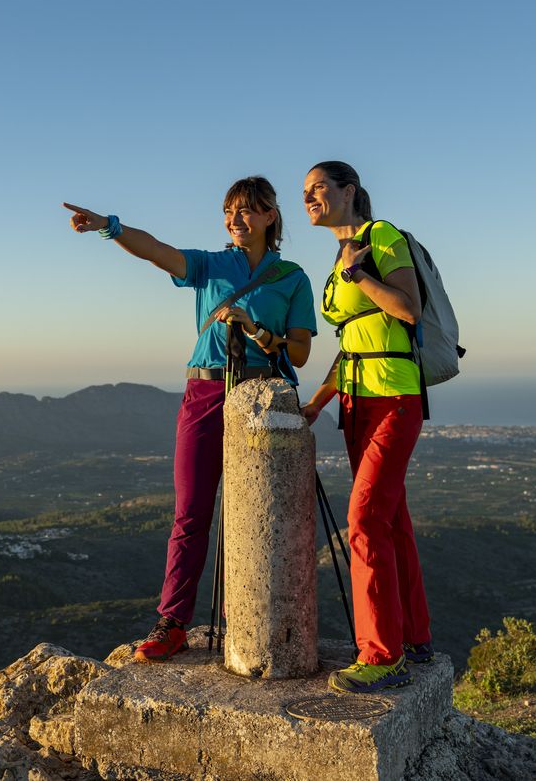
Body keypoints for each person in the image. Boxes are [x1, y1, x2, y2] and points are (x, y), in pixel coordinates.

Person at [63, 176, 317, 662]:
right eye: (229, 212)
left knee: (258, 513)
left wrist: (259, 331)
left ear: (269, 216)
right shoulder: (211, 265)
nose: (235, 220)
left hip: (260, 392)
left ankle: (246, 620)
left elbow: (300, 352)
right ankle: (173, 621)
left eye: (245, 211)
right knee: (191, 511)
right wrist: (108, 227)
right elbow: (157, 251)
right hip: (204, 391)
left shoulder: (292, 278)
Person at [298, 161, 434, 693]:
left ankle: (382, 654)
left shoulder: (382, 237)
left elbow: (407, 308)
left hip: (395, 397)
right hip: (355, 402)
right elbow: (351, 341)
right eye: (304, 192)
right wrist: (317, 402)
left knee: (363, 520)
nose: (309, 197)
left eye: (318, 188)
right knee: (391, 518)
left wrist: (359, 274)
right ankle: (415, 639)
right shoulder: (338, 257)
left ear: (348, 191)